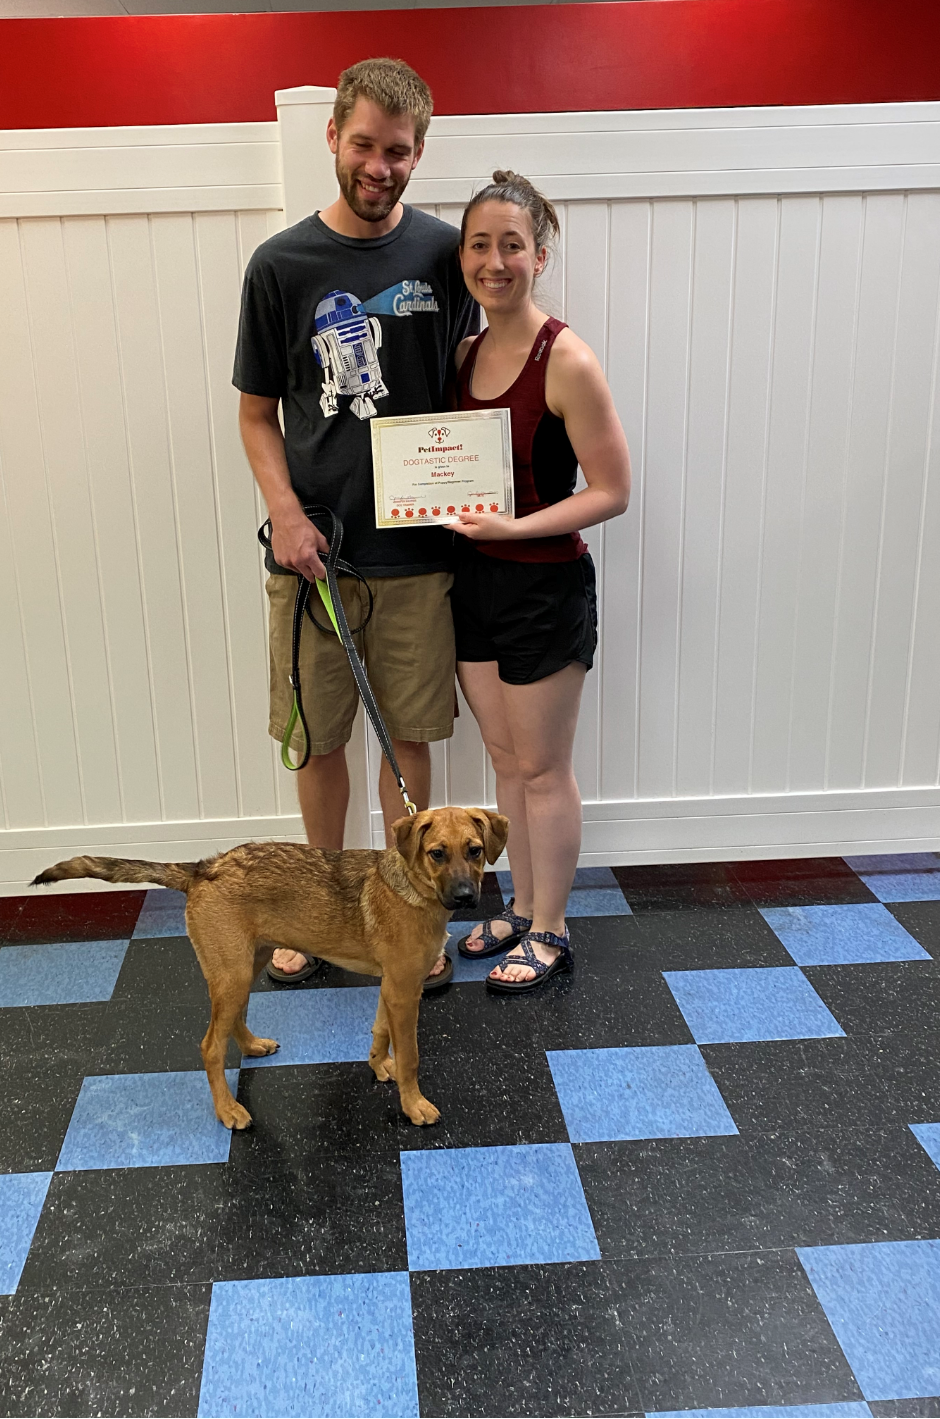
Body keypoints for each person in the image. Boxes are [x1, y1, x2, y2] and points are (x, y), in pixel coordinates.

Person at [233, 58, 477, 987]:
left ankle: (415, 920)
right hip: (314, 559)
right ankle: (321, 910)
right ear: (333, 136)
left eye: (400, 151)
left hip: (417, 555)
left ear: (420, 152)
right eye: (366, 145)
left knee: (406, 740)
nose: (380, 166)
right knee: (318, 738)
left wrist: (476, 491)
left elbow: (466, 386)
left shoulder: (440, 255)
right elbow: (257, 412)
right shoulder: (280, 265)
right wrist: (287, 518)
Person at [450, 171, 631, 992]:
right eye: (480, 244)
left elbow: (612, 490)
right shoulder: (461, 353)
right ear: (463, 256)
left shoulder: (567, 357)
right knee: (504, 758)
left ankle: (552, 928)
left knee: (545, 768)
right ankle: (522, 906)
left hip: (543, 588)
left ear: (539, 256)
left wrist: (514, 529)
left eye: (511, 245)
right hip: (472, 587)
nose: (495, 261)